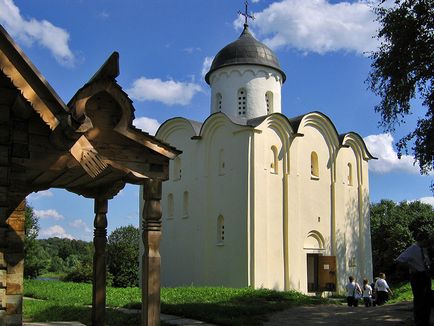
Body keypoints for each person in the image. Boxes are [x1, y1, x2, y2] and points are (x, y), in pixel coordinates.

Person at [396, 232, 432, 326]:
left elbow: (425, 261)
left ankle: (425, 320)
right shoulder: (412, 249)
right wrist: (411, 267)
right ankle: (419, 321)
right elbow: (399, 260)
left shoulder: (423, 249)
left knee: (427, 299)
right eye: (426, 240)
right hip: (417, 276)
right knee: (419, 299)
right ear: (422, 240)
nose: (427, 243)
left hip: (425, 274)